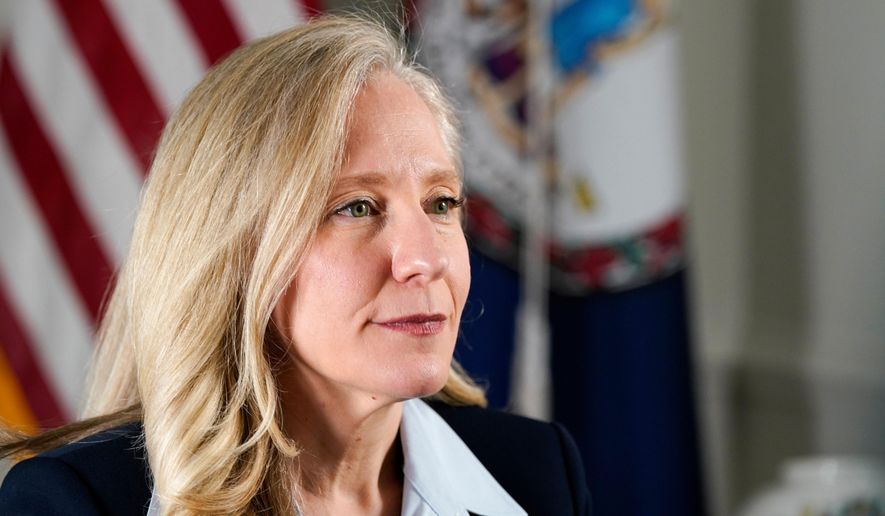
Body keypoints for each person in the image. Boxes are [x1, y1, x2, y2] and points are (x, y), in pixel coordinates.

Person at [0, 16, 591, 515]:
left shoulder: (538, 475)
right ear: (236, 251)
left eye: (441, 203)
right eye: (356, 207)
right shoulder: (75, 501)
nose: (426, 259)